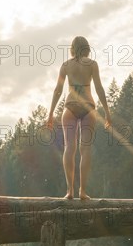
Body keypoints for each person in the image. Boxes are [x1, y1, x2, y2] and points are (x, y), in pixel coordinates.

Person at [47, 36, 112, 200]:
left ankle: (70, 191)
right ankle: (82, 191)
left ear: (73, 48)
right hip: (88, 107)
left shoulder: (66, 65)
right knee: (86, 149)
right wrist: (107, 112)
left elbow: (57, 91)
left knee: (69, 148)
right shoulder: (92, 64)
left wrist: (50, 114)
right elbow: (99, 88)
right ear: (87, 48)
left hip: (69, 107)